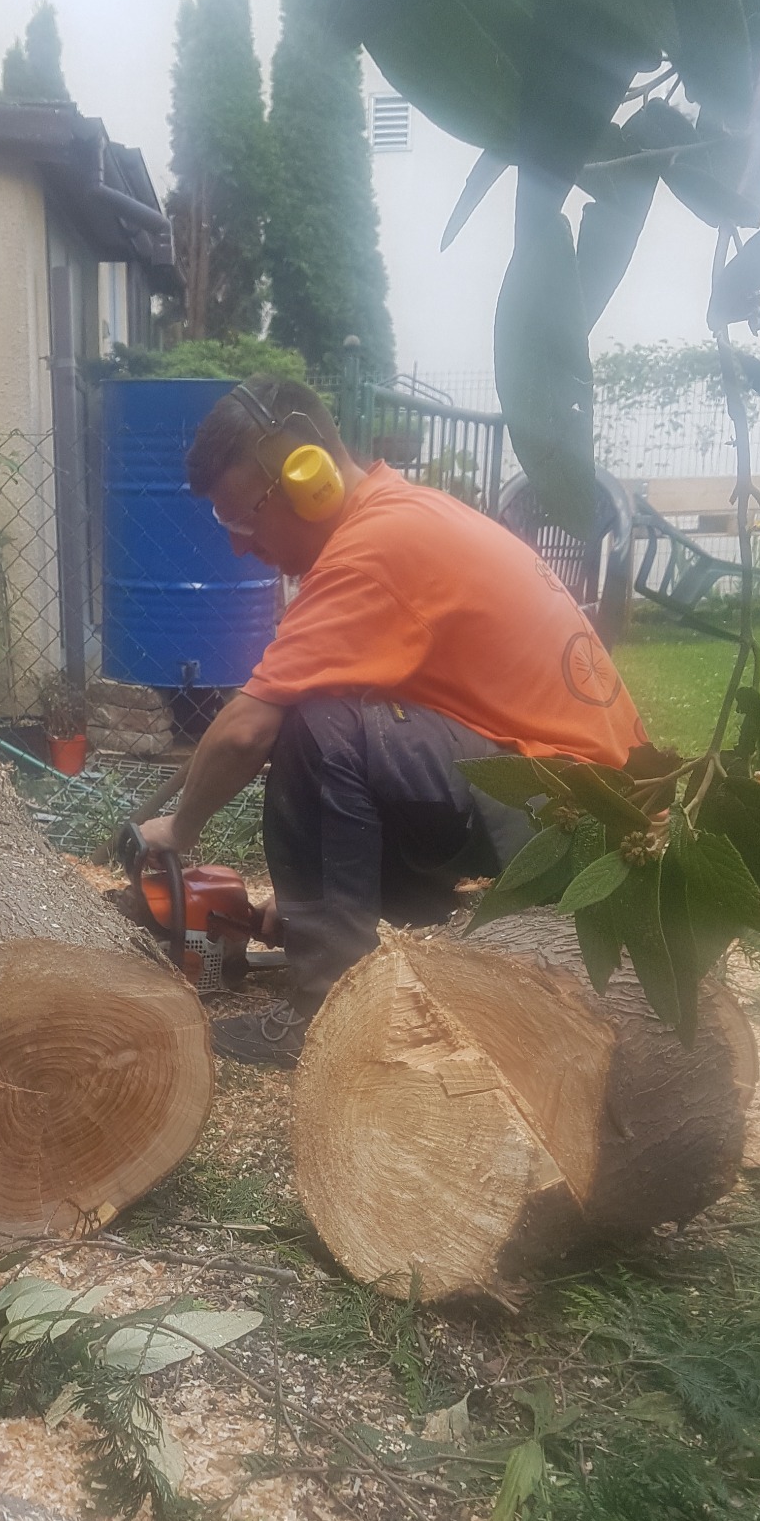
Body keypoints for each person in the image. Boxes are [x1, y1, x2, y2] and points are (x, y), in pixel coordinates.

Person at [136, 376, 649, 1066]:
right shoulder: (397, 517)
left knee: (319, 725)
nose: (238, 547)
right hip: (577, 796)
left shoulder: (373, 551)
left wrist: (178, 828)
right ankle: (377, 949)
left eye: (245, 521)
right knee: (348, 717)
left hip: (580, 823)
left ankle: (326, 1019)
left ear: (308, 480)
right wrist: (316, 898)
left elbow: (246, 730)